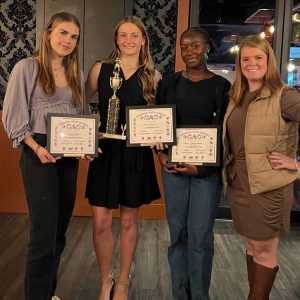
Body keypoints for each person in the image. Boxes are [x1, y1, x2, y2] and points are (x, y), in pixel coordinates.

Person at [2, 12, 84, 300]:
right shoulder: (26, 68)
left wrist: (87, 145)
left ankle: (48, 293)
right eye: (63, 33)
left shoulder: (76, 73)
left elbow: (80, 117)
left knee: (60, 230)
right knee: (42, 234)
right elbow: (13, 116)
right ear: (48, 33)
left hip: (68, 155)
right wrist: (36, 148)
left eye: (74, 36)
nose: (68, 40)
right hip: (38, 152)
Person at [85, 16, 161, 300]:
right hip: (104, 152)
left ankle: (124, 281)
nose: (128, 40)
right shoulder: (100, 69)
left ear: (143, 40)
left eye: (134, 35)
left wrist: (158, 134)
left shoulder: (152, 75)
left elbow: (157, 118)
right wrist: (84, 132)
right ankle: (107, 280)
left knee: (129, 221)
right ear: (116, 39)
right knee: (101, 222)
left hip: (135, 155)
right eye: (123, 35)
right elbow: (79, 102)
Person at [155, 27, 231, 300]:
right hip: (173, 171)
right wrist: (162, 157)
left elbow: (224, 134)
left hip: (206, 173)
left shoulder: (222, 87)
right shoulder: (167, 84)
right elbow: (158, 129)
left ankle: (199, 295)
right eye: (184, 46)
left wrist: (202, 168)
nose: (189, 51)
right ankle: (179, 294)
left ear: (207, 48)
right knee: (178, 233)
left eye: (195, 46)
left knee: (199, 236)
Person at [223, 34, 300, 299]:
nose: (251, 63)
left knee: (265, 250)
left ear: (269, 61)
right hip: (241, 183)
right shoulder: (238, 96)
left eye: (258, 57)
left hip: (269, 185)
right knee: (252, 246)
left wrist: (297, 163)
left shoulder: (284, 96)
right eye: (245, 59)